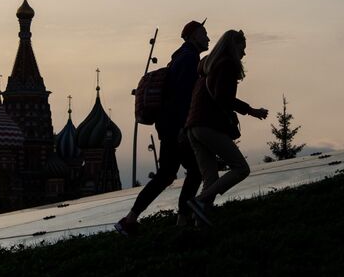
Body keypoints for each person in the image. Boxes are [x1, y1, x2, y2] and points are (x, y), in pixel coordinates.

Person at [115, 20, 209, 235]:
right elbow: (183, 97)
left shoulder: (180, 57)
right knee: (195, 170)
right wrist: (184, 127)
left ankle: (130, 220)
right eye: (204, 33)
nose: (208, 38)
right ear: (194, 36)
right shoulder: (188, 59)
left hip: (168, 126)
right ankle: (183, 219)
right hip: (177, 127)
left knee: (166, 175)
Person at [185, 29, 268, 226]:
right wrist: (250, 110)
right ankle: (199, 201)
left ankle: (200, 223)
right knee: (241, 168)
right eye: (242, 48)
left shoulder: (207, 67)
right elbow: (223, 98)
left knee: (210, 178)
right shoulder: (227, 64)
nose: (244, 53)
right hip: (208, 125)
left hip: (193, 128)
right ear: (233, 46)